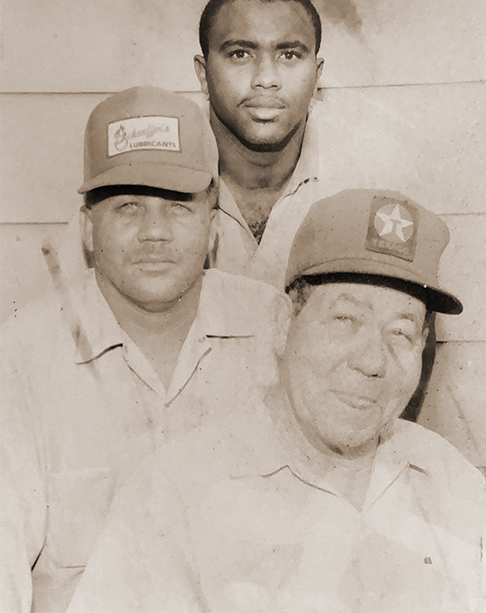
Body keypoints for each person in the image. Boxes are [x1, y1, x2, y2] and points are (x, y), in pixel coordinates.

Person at [67, 189, 486, 613]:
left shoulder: (452, 484)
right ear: (283, 325)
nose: (372, 361)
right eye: (346, 319)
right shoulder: (172, 496)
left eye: (400, 331)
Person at [0, 87, 289, 613]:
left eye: (178, 206)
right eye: (128, 206)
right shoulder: (19, 358)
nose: (154, 232)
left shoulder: (275, 333)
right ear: (88, 228)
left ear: (212, 227)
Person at [54, 0, 367, 291]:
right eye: (240, 54)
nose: (266, 78)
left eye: (289, 54)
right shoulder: (138, 176)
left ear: (316, 76)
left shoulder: (358, 191)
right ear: (203, 74)